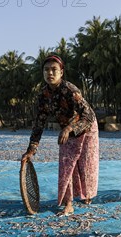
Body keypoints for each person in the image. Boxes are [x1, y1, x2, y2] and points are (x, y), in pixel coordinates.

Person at [21, 55, 99, 216]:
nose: (50, 73)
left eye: (54, 69)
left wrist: (69, 128)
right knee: (66, 165)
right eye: (46, 70)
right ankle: (68, 203)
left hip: (87, 127)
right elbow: (39, 123)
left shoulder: (70, 90)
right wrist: (31, 149)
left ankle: (87, 195)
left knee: (86, 164)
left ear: (61, 72)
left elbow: (88, 115)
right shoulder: (43, 95)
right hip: (67, 131)